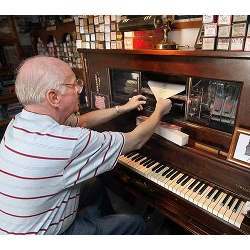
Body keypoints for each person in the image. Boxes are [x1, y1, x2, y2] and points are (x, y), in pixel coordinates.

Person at [0, 56, 172, 235]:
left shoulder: (19, 122)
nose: (79, 90)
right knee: (135, 222)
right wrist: (159, 110)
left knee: (93, 185)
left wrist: (122, 107)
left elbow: (81, 121)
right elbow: (136, 140)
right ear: (53, 97)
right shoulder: (65, 143)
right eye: (74, 85)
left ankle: (102, 225)